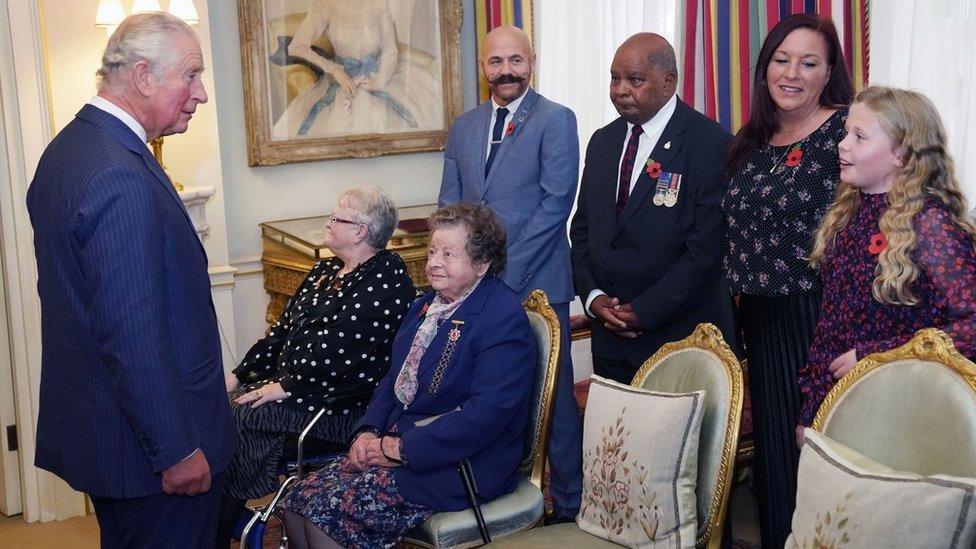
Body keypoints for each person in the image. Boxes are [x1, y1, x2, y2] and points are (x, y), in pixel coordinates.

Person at [26, 12, 235, 548]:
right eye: (191, 75)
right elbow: (132, 333)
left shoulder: (69, 150)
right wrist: (175, 450)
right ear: (142, 76)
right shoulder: (119, 173)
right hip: (153, 458)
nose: (202, 94)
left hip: (109, 439)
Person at [280, 203, 536, 548]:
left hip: (463, 464)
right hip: (401, 448)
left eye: (448, 254)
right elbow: (391, 380)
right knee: (299, 499)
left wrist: (400, 449)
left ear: (482, 264)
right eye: (432, 251)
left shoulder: (501, 318)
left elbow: (485, 415)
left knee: (328, 511)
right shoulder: (424, 307)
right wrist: (367, 432)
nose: (433, 262)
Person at [215, 187, 416, 547]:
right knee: (222, 405)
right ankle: (225, 520)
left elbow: (341, 351)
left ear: (360, 231)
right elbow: (280, 333)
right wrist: (239, 376)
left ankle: (219, 530)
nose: (328, 222)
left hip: (341, 407)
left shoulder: (387, 277)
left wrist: (285, 386)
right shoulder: (325, 270)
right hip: (299, 392)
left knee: (246, 417)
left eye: (336, 217)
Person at [438, 25, 583, 521]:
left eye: (515, 60)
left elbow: (555, 204)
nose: (506, 70)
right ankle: (504, 497)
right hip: (476, 289)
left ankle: (569, 503)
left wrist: (499, 278)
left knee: (554, 398)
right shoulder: (463, 126)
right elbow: (451, 205)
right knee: (489, 396)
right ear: (483, 67)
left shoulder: (556, 120)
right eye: (496, 61)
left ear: (532, 61)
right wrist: (463, 273)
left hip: (537, 282)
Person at [721, 14, 853, 548]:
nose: (791, 72)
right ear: (765, 67)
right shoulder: (751, 139)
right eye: (781, 59)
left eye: (808, 62)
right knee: (776, 455)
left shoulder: (846, 131)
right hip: (756, 314)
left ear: (828, 74)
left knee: (820, 453)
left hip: (819, 317)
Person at [798, 86, 976, 425]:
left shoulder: (931, 224)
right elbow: (829, 330)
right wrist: (812, 415)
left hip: (903, 416)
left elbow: (972, 327)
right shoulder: (849, 212)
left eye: (860, 137)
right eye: (846, 132)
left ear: (902, 154)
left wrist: (876, 357)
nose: (843, 144)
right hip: (843, 408)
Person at [570, 33, 735, 384]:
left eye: (635, 79)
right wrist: (594, 297)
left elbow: (706, 251)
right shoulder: (603, 141)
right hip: (610, 341)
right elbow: (583, 230)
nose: (620, 90)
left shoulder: (710, 143)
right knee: (612, 440)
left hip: (681, 340)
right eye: (615, 78)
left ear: (668, 82)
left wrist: (644, 311)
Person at [272, 0, 442, 138]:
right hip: (343, 81)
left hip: (380, 76)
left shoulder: (379, 4)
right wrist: (335, 70)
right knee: (364, 116)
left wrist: (380, 80)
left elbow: (390, 50)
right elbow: (296, 47)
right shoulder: (325, 5)